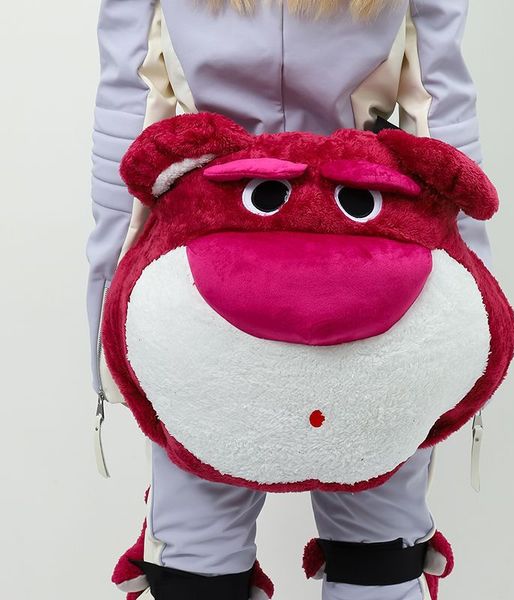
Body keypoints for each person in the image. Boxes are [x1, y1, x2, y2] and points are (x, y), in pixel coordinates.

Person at [86, 0, 492, 598]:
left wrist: (105, 333)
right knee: (380, 556)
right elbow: (442, 118)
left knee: (197, 558)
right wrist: (474, 311)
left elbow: (128, 134)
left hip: (206, 287)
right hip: (372, 268)